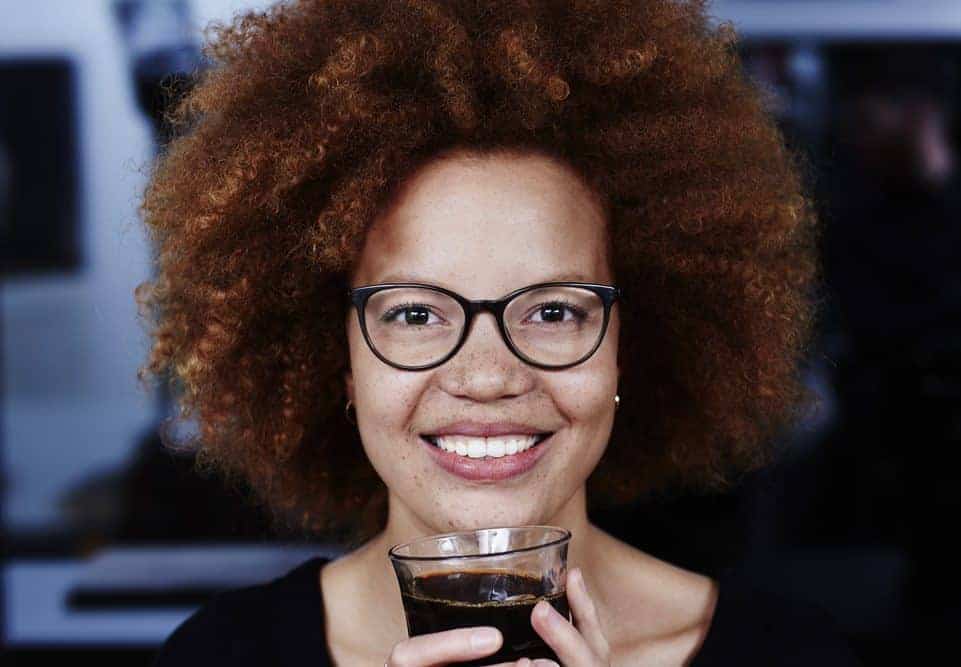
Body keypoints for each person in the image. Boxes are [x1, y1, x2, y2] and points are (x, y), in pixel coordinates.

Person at [136, 0, 861, 664]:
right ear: (342, 361)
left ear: (625, 349)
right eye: (415, 314)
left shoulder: (793, 654)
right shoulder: (221, 655)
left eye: (552, 311)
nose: (486, 376)